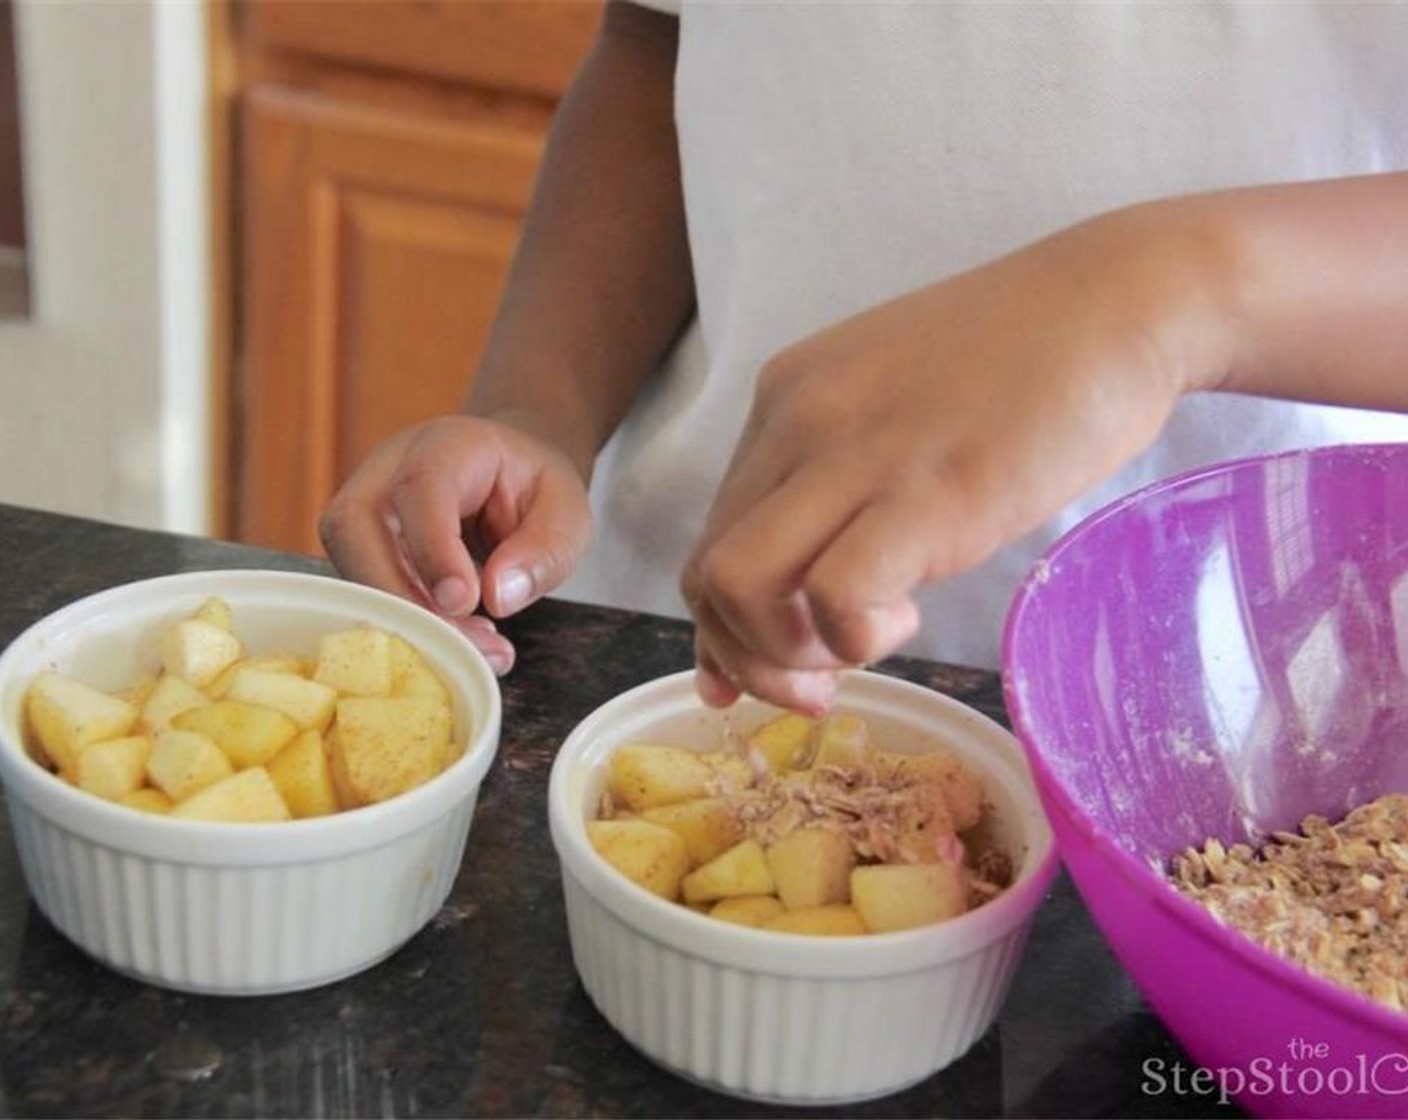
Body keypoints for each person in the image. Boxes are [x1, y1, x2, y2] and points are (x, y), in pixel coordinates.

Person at [319, 1, 1408, 715]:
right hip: (678, 648)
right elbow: (657, 46)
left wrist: (1164, 296)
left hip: (1252, 720)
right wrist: (533, 412)